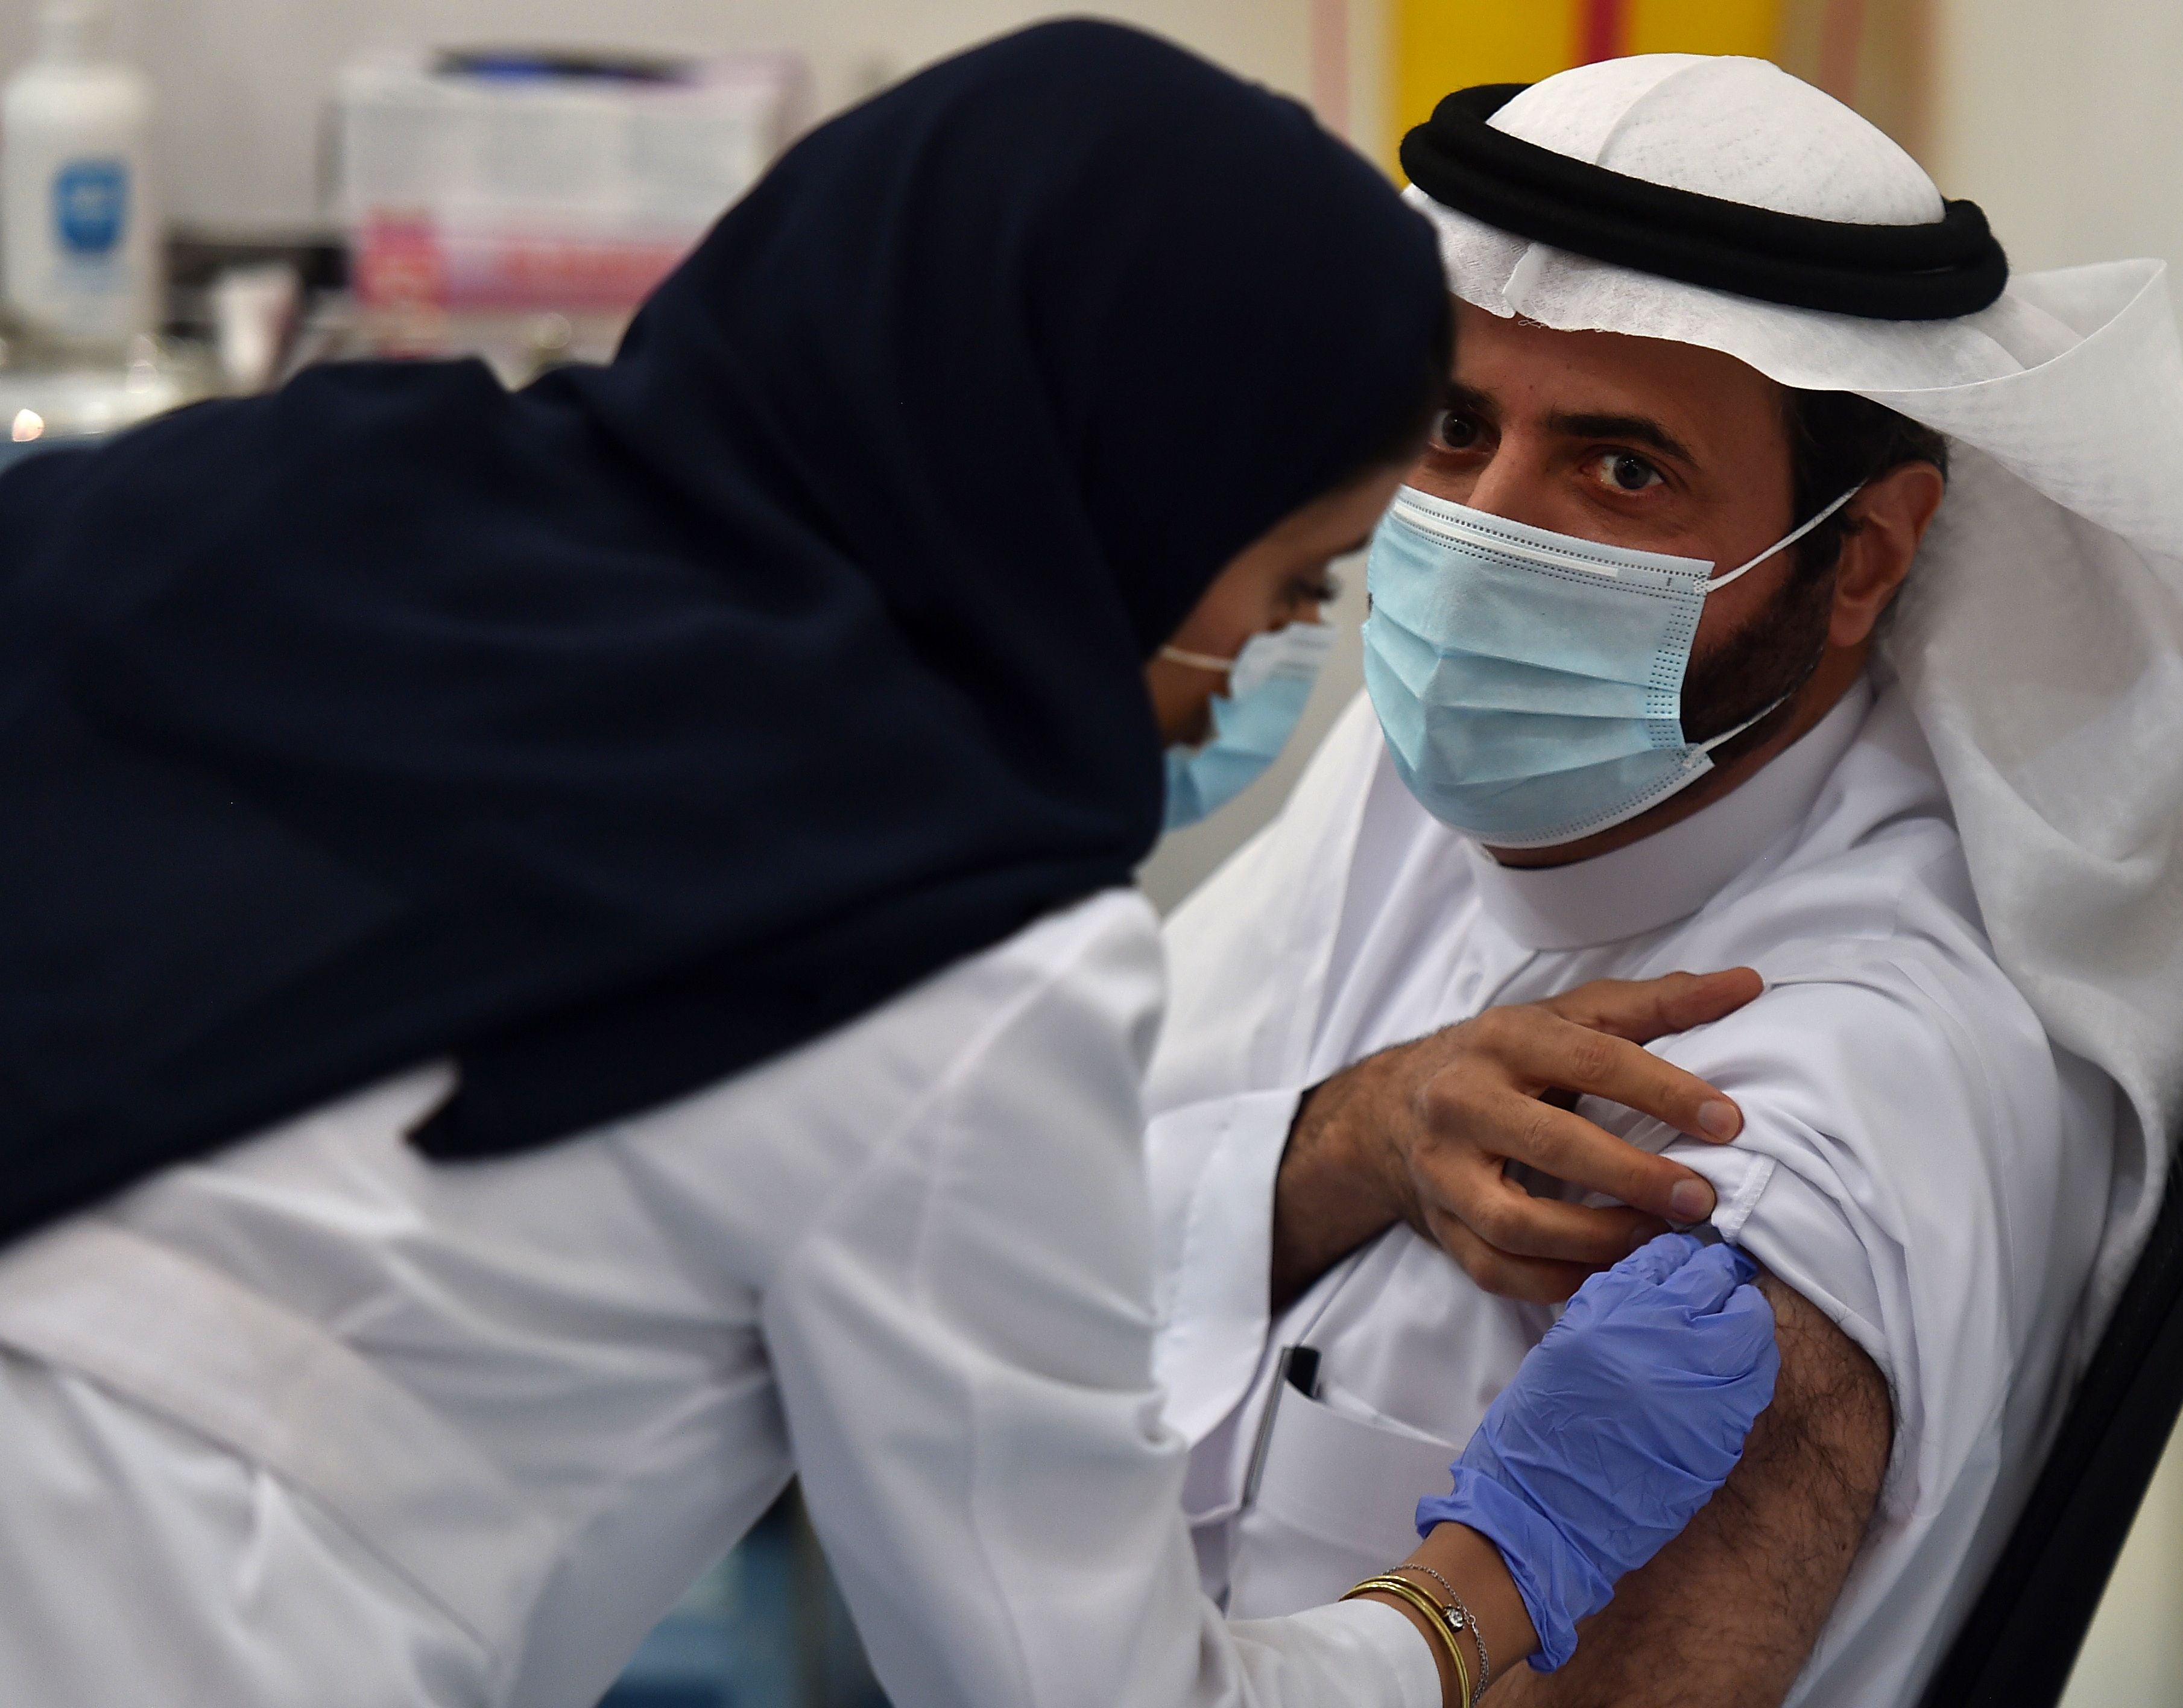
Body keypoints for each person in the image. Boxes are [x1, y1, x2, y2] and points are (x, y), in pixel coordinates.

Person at [0, 25, 1786, 1708]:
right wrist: (1481, 1589)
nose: (1256, 668)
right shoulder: (945, 956)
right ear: (1118, 505)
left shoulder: (266, 491)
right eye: (1297, 581)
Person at [1144, 54, 2183, 1707]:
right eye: (1457, 430)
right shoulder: (1413, 775)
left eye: (1621, 471)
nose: (1483, 535)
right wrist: (1360, 1136)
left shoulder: (1828, 1103)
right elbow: (1042, 1215)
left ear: (1864, 556)